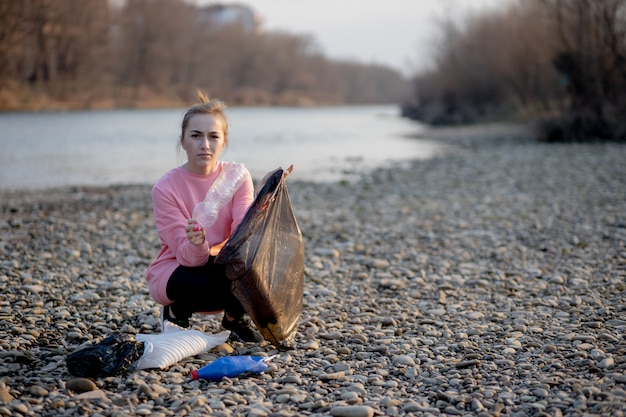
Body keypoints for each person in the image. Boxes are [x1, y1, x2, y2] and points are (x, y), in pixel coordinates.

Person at [145, 92, 292, 342]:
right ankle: (176, 311)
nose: (205, 144)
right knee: (213, 282)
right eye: (196, 135)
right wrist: (196, 241)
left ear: (223, 142)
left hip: (224, 262)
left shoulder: (237, 176)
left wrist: (265, 194)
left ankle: (234, 320)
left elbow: (243, 234)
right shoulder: (165, 188)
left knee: (259, 281)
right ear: (183, 140)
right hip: (180, 270)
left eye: (213, 136)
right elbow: (187, 257)